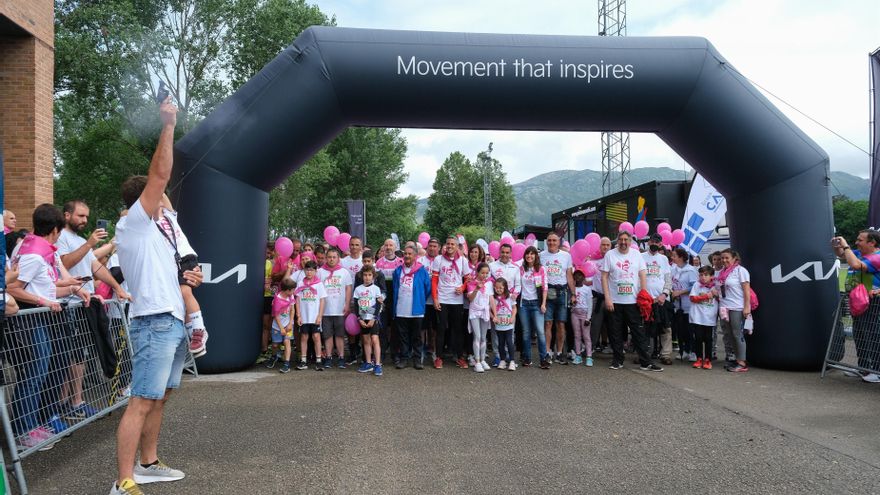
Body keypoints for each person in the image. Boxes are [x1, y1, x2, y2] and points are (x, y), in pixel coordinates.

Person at [110, 97, 204, 494]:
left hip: (170, 322)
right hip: (151, 323)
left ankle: (147, 464)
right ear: (146, 202)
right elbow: (160, 175)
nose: (167, 203)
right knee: (141, 400)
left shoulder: (160, 236)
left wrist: (189, 283)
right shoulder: (135, 224)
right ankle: (123, 481)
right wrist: (168, 125)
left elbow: (175, 277)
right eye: (161, 199)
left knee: (160, 397)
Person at [6, 204, 91, 451]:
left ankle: (31, 425)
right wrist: (44, 301)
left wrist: (73, 287)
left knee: (38, 374)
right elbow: (14, 288)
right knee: (33, 375)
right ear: (55, 230)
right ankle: (24, 431)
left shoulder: (34, 248)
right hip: (30, 321)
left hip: (37, 319)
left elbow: (43, 286)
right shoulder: (33, 253)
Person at [56, 200, 131, 421]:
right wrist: (89, 244)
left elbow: (96, 267)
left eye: (87, 217)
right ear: (66, 215)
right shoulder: (60, 237)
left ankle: (76, 401)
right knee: (69, 357)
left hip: (85, 304)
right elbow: (65, 264)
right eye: (80, 216)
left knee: (80, 356)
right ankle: (63, 404)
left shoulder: (79, 240)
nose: (85, 220)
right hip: (67, 303)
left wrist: (118, 288)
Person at [156, 194, 209, 358]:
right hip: (172, 263)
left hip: (186, 257)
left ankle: (199, 330)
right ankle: (191, 333)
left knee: (185, 292)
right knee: (182, 298)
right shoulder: (148, 224)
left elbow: (162, 194)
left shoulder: (169, 216)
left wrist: (155, 186)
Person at [601, 230, 662, 372]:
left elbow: (642, 274)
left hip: (633, 301)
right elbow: (604, 277)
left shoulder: (636, 255)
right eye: (621, 240)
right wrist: (607, 298)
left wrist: (644, 294)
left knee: (638, 332)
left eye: (626, 240)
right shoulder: (610, 255)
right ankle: (617, 360)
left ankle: (645, 362)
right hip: (615, 301)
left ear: (630, 241)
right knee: (615, 332)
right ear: (617, 241)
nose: (623, 242)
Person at [832, 230, 880, 382]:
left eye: (860, 240)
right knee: (859, 335)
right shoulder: (859, 253)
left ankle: (876, 370)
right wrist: (836, 246)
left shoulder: (877, 257)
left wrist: (845, 247)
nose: (856, 242)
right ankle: (863, 367)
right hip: (858, 301)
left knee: (872, 336)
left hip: (872, 302)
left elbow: (854, 264)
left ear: (872, 243)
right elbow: (841, 255)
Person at [432, 236, 472, 369]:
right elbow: (434, 281)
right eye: (448, 244)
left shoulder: (463, 260)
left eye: (452, 244)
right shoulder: (438, 259)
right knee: (441, 328)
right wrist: (435, 298)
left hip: (457, 300)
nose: (450, 246)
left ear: (457, 246)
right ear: (445, 245)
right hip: (442, 298)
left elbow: (468, 279)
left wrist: (463, 287)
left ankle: (459, 357)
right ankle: (438, 357)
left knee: (457, 330)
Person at [392, 245, 432, 369]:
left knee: (417, 336)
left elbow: (427, 288)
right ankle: (404, 359)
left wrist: (420, 299)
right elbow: (394, 288)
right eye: (406, 254)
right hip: (401, 309)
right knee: (403, 336)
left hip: (416, 309)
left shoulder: (422, 271)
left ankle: (417, 359)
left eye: (410, 254)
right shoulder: (398, 271)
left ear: (415, 256)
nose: (407, 256)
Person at [540, 233, 575, 364]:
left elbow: (569, 276)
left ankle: (559, 352)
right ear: (546, 242)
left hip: (562, 292)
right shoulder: (541, 255)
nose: (552, 243)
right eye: (549, 240)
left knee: (561, 323)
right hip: (547, 293)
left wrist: (574, 294)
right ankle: (547, 352)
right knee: (547, 323)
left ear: (559, 242)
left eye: (554, 240)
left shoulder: (566, 256)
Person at [717, 248, 751, 373]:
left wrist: (747, 307)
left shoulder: (741, 271)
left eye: (727, 258)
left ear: (734, 258)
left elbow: (746, 290)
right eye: (722, 258)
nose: (724, 260)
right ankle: (737, 360)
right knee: (730, 335)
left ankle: (742, 363)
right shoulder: (722, 272)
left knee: (738, 334)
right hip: (725, 307)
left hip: (737, 307)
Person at [319, 247, 353, 368]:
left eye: (334, 257)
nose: (331, 259)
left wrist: (347, 304)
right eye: (329, 257)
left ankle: (341, 357)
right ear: (326, 258)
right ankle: (328, 357)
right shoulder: (320, 271)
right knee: (327, 335)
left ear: (338, 258)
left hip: (339, 309)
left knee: (339, 335)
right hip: (325, 310)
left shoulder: (344, 272)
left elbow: (348, 288)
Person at [643, 234, 673, 365]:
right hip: (646, 299)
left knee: (665, 328)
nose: (654, 243)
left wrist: (664, 294)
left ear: (661, 244)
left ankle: (665, 354)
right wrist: (644, 296)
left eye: (658, 242)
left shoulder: (664, 259)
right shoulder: (641, 257)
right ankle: (644, 353)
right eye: (653, 241)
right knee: (645, 328)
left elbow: (668, 279)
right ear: (649, 242)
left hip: (661, 299)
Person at [489, 243, 521, 366]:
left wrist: (514, 295)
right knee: (496, 332)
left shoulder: (515, 268)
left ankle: (509, 356)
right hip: (496, 303)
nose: (505, 255)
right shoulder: (492, 266)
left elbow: (518, 285)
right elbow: (489, 282)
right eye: (503, 252)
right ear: (499, 252)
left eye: (507, 252)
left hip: (509, 303)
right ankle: (498, 356)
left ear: (511, 253)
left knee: (509, 332)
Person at [519, 246, 549, 368]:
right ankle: (527, 358)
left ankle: (543, 359)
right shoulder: (521, 269)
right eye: (527, 254)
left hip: (537, 303)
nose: (529, 256)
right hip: (524, 304)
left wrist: (543, 303)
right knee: (526, 332)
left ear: (536, 256)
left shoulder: (541, 269)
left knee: (540, 331)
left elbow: (544, 287)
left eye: (532, 254)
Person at [294, 260, 327, 371]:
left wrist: (320, 316)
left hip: (315, 316)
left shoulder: (319, 284)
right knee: (304, 337)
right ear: (304, 271)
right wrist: (298, 315)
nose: (309, 272)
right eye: (307, 270)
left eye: (312, 270)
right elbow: (297, 300)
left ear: (315, 271)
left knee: (316, 337)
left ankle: (318, 360)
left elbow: (322, 301)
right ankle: (303, 360)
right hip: (304, 316)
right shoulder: (300, 284)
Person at [353, 265, 385, 376]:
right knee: (366, 341)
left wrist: (374, 318)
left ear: (373, 276)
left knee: (375, 340)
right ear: (362, 276)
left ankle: (377, 364)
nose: (367, 277)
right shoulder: (358, 289)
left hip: (373, 319)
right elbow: (356, 306)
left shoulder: (376, 289)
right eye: (365, 275)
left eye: (369, 275)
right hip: (363, 319)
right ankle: (368, 363)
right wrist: (359, 319)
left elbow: (378, 305)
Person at [670, 247, 698, 362]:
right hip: (678, 305)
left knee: (690, 329)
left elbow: (694, 286)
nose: (672, 258)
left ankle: (693, 351)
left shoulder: (690, 270)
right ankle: (684, 350)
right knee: (681, 330)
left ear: (681, 257)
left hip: (688, 305)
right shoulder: (674, 269)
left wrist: (680, 292)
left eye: (674, 256)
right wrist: (673, 292)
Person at [689, 266, 719, 369]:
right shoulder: (697, 285)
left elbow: (721, 298)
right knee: (698, 338)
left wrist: (716, 295)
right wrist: (707, 296)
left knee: (708, 339)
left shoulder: (716, 286)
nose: (703, 277)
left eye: (706, 275)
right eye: (701, 275)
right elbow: (692, 298)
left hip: (709, 317)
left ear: (711, 276)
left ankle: (708, 359)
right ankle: (699, 358)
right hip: (698, 317)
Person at [467, 262, 495, 373]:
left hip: (485, 311)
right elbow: (470, 299)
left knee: (484, 337)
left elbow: (491, 299)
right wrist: (476, 288)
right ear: (477, 272)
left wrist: (495, 314)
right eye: (482, 272)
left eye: (487, 273)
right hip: (474, 311)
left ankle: (483, 360)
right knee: (477, 336)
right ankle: (477, 361)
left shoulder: (489, 284)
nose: (484, 275)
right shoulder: (471, 283)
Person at [265, 278, 296, 373]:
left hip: (288, 325)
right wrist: (281, 328)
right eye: (293, 289)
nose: (294, 291)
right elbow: (276, 315)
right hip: (277, 326)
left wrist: (290, 323)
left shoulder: (291, 297)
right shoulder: (277, 300)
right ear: (287, 290)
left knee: (287, 342)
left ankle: (286, 363)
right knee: (275, 345)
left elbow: (292, 310)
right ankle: (274, 356)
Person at [591, 237, 613, 354]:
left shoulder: (615, 261)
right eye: (603, 245)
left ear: (611, 246)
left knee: (613, 324)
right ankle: (592, 346)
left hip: (612, 298)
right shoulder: (593, 262)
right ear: (599, 247)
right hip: (598, 297)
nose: (605, 247)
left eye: (607, 245)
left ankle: (613, 346)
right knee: (595, 324)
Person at [493, 277, 517, 371]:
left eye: (501, 288)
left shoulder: (510, 297)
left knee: (509, 341)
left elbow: (514, 308)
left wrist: (512, 317)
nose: (498, 290)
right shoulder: (494, 298)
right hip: (499, 324)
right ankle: (502, 360)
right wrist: (493, 317)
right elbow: (490, 309)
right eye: (496, 288)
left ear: (505, 288)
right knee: (500, 343)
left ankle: (512, 361)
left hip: (508, 323)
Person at [258, 241, 276, 364]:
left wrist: (270, 283)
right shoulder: (253, 261)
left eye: (270, 253)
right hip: (252, 297)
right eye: (266, 252)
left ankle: (264, 350)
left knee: (267, 325)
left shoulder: (270, 263)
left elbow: (273, 279)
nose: (267, 254)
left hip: (267, 297)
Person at [571, 270, 593, 366]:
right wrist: (572, 303)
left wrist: (588, 318)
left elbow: (590, 303)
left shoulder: (587, 289)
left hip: (584, 314)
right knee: (577, 335)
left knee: (586, 336)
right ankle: (578, 355)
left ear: (583, 277)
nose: (578, 277)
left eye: (580, 276)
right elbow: (569, 302)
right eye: (576, 276)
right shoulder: (572, 289)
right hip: (574, 313)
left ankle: (589, 357)